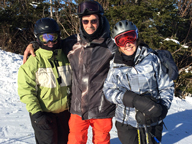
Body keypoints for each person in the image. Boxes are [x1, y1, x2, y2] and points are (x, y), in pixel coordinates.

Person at [22, 1, 117, 144]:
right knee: (74, 140)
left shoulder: (111, 46)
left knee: (102, 140)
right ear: (81, 22)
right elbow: (50, 43)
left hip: (102, 107)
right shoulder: (72, 43)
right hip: (77, 107)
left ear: (100, 20)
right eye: (85, 21)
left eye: (93, 21)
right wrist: (34, 44)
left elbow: (131, 50)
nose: (89, 25)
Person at [103, 20, 174, 144]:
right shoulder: (115, 65)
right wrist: (131, 99)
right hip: (126, 123)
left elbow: (166, 87)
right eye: (121, 40)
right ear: (117, 43)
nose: (127, 43)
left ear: (136, 37)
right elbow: (108, 90)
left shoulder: (152, 59)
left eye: (131, 37)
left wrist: (162, 109)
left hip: (152, 120)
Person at [17, 18, 71, 144]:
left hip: (65, 113)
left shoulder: (67, 55)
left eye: (53, 36)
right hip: (44, 115)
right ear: (38, 39)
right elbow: (26, 90)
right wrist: (37, 114)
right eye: (45, 38)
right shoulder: (33, 61)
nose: (50, 42)